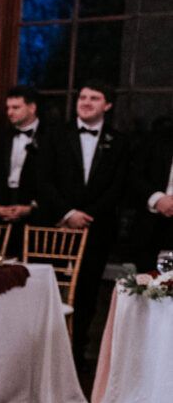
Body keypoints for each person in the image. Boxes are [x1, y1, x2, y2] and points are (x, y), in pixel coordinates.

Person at [34, 80, 129, 366]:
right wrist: (67, 213)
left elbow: (119, 185)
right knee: (49, 287)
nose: (86, 102)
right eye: (83, 97)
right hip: (57, 226)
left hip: (97, 227)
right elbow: (42, 178)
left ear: (107, 105)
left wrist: (87, 216)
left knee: (87, 291)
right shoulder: (54, 135)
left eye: (94, 98)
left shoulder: (119, 141)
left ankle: (75, 354)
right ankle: (43, 353)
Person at [0, 85, 47, 257]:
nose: (10, 112)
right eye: (8, 108)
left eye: (16, 107)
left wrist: (32, 207)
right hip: (2, 209)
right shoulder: (0, 137)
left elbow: (52, 178)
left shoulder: (50, 137)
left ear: (32, 107)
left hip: (34, 216)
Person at [133, 132, 173, 273]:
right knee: (147, 284)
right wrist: (157, 199)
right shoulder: (155, 140)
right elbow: (134, 174)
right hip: (152, 226)